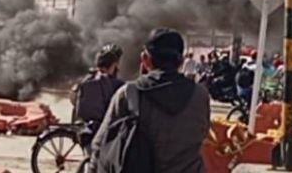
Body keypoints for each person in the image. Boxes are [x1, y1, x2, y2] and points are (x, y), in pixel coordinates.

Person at [87, 28, 209, 173]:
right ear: (181, 62)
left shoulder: (129, 94)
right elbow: (203, 133)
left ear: (145, 60)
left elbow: (100, 145)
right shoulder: (200, 95)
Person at [73, 45, 125, 148]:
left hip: (84, 125)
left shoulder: (90, 78)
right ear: (114, 63)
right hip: (100, 129)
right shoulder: (113, 83)